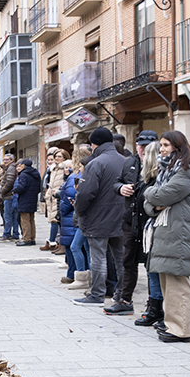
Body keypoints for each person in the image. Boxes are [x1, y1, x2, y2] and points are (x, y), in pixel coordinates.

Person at [143, 131, 190, 343]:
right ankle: (172, 325)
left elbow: (160, 195)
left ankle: (180, 330)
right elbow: (155, 202)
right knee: (167, 282)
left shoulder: (187, 171)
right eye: (161, 145)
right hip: (167, 231)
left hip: (178, 232)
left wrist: (149, 194)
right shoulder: (169, 170)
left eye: (166, 145)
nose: (162, 149)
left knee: (177, 282)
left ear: (178, 147)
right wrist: (154, 202)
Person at [73, 127, 126, 306]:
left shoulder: (95, 163)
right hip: (121, 218)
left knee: (99, 257)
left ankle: (97, 294)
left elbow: (85, 193)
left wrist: (79, 211)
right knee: (120, 258)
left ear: (94, 144)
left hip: (98, 218)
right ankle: (122, 293)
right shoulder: (125, 161)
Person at [108, 130, 158, 316]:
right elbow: (116, 183)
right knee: (128, 261)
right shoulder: (129, 162)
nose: (143, 149)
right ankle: (125, 300)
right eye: (140, 145)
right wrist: (121, 188)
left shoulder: (160, 165)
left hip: (151, 222)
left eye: (147, 145)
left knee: (151, 265)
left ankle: (153, 304)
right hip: (130, 220)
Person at [133, 140, 166, 328]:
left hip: (155, 228)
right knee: (150, 269)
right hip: (146, 229)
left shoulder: (158, 179)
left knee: (155, 270)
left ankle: (157, 308)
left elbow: (154, 203)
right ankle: (154, 306)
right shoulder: (147, 179)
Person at [65, 146, 93, 292]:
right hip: (81, 219)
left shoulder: (85, 181)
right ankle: (89, 277)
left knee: (75, 246)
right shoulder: (82, 180)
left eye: (81, 166)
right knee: (87, 249)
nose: (79, 168)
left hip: (84, 220)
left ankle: (82, 277)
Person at [42, 149, 70, 252]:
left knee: (59, 221)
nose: (56, 159)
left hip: (60, 197)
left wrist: (58, 192)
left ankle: (59, 245)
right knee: (55, 221)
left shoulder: (65, 168)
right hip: (52, 197)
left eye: (59, 156)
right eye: (56, 156)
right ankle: (55, 243)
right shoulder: (52, 169)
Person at [12, 158, 41, 247]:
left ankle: (27, 239)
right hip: (33, 198)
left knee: (25, 220)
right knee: (31, 219)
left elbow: (22, 187)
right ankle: (32, 238)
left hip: (24, 199)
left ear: (24, 165)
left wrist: (14, 190)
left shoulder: (24, 174)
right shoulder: (36, 173)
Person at [0, 153, 18, 240]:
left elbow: (9, 181)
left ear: (12, 160)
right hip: (10, 195)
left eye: (7, 160)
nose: (5, 161)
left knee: (8, 216)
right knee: (13, 216)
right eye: (4, 160)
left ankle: (7, 234)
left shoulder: (11, 168)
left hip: (8, 196)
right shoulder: (10, 167)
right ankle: (15, 234)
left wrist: (3, 191)